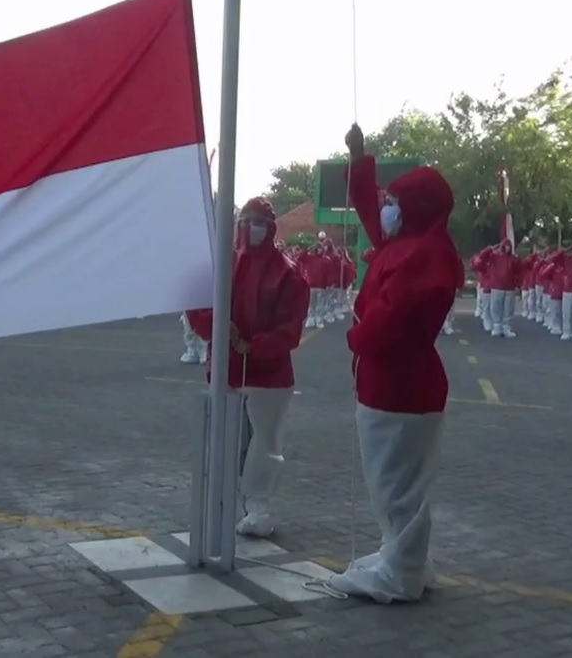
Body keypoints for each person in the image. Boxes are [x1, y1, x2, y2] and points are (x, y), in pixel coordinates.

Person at [327, 124, 464, 604]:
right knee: (402, 482)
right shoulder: (410, 243)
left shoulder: (423, 256)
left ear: (413, 210)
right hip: (398, 383)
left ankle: (400, 573)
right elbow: (371, 211)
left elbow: (391, 320)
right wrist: (360, 157)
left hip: (398, 385)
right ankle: (404, 557)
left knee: (395, 484)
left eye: (395, 202)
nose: (385, 208)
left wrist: (355, 335)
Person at [185, 197, 309, 539]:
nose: (250, 227)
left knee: (265, 444)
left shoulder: (289, 271)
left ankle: (258, 507)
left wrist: (254, 346)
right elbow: (197, 307)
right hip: (226, 368)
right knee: (226, 439)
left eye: (258, 221)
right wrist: (218, 328)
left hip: (268, 376)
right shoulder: (222, 265)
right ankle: (223, 500)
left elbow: (291, 327)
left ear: (270, 228)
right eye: (246, 220)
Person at [484, 239, 520, 338]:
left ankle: (506, 327)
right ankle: (497, 326)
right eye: (506, 246)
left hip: (509, 288)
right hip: (497, 286)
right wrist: (489, 249)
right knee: (496, 307)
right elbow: (481, 258)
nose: (507, 248)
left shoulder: (514, 259)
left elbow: (519, 273)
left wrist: (518, 285)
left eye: (509, 246)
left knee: (508, 308)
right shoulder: (494, 257)